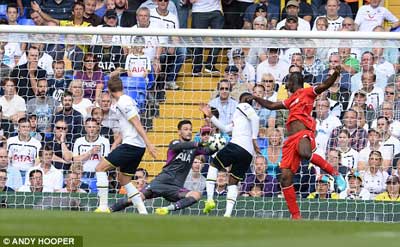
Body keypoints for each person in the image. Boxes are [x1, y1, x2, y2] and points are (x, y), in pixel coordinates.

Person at [250, 66, 346, 219]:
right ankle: (296, 216)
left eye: (287, 81)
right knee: (285, 177)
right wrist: (255, 98)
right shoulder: (290, 100)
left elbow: (324, 85)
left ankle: (335, 173)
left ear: (294, 81)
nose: (285, 85)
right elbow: (272, 105)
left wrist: (336, 73)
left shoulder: (307, 92)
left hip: (303, 133)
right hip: (290, 140)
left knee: (305, 152)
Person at [110, 120, 213, 215]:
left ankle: (166, 209)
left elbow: (209, 151)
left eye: (190, 129)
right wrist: (199, 143)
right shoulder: (175, 143)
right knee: (137, 198)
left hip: (175, 187)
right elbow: (179, 147)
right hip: (161, 182)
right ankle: (110, 209)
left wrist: (216, 144)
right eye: (185, 129)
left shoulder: (194, 149)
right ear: (179, 132)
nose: (189, 132)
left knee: (196, 195)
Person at [94, 75, 157, 213]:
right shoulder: (124, 101)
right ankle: (143, 212)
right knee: (124, 179)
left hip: (131, 146)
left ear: (109, 91)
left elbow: (137, 123)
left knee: (100, 168)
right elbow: (128, 126)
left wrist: (149, 144)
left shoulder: (123, 102)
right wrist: (116, 143)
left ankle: (103, 206)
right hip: (135, 146)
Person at [200, 92, 260, 218]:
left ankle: (210, 199)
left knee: (213, 165)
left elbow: (256, 118)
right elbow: (226, 129)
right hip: (247, 154)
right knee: (233, 182)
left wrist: (254, 139)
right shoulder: (240, 118)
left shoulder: (243, 106)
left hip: (237, 145)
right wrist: (210, 116)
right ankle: (227, 214)